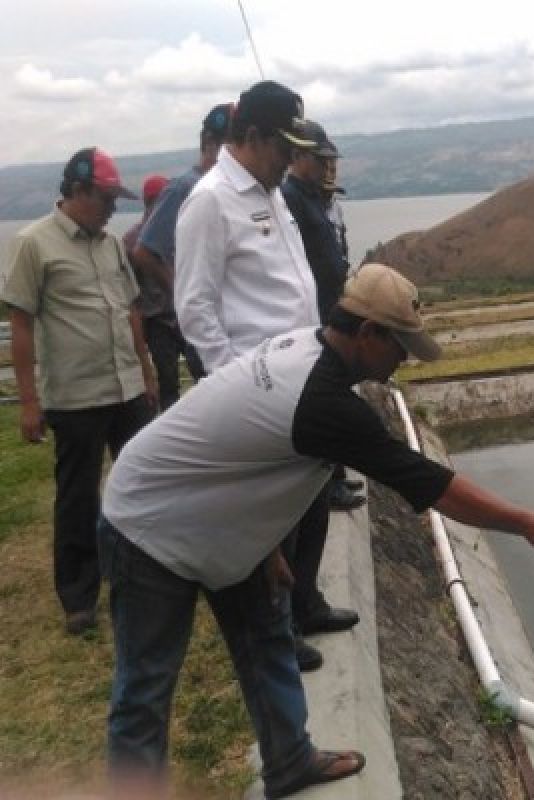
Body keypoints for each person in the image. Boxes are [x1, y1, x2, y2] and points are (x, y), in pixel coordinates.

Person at [99, 263, 534, 798]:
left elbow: (252, 457)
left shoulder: (309, 348)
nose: (404, 358)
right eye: (400, 346)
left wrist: (265, 546)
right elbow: (432, 486)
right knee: (146, 685)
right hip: (147, 522)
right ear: (368, 333)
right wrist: (524, 521)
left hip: (213, 515)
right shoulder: (325, 402)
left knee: (267, 632)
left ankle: (289, 761)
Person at [173, 80, 341, 671]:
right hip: (258, 389)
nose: (291, 161)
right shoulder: (211, 201)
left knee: (313, 498)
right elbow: (195, 307)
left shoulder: (270, 192)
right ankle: (279, 632)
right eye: (283, 148)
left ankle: (307, 601)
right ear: (251, 137)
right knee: (273, 517)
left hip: (302, 374)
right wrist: (232, 384)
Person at [1, 147, 158, 634]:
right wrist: (29, 401)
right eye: (107, 197)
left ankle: (146, 575)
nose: (113, 208)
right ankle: (79, 597)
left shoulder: (110, 245)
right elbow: (21, 323)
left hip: (126, 386)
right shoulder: (34, 244)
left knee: (142, 482)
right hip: (76, 395)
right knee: (77, 496)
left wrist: (147, 370)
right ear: (78, 191)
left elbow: (130, 310)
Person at [281, 120, 365, 512]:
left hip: (331, 309)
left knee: (335, 395)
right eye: (321, 160)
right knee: (323, 399)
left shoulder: (313, 197)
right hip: (315, 317)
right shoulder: (291, 198)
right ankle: (326, 484)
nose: (327, 168)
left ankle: (335, 476)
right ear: (300, 157)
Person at [129, 103, 234, 409]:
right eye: (230, 143)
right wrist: (183, 291)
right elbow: (145, 251)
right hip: (183, 321)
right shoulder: (185, 188)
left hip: (216, 319)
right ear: (210, 144)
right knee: (192, 390)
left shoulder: (228, 188)